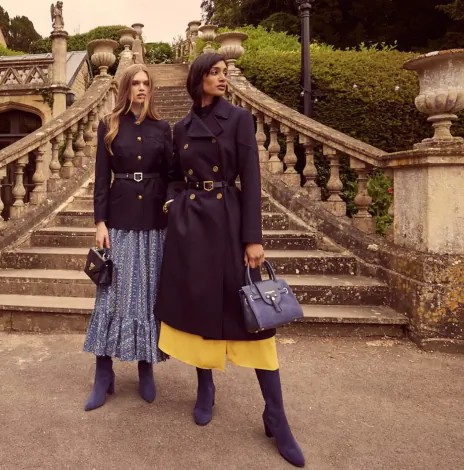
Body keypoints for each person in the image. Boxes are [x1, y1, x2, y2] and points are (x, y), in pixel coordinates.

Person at [154, 53, 305, 467]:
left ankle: (276, 414)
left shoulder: (238, 119)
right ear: (198, 78)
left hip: (228, 220)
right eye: (215, 73)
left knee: (254, 321)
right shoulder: (180, 127)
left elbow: (251, 178)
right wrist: (172, 202)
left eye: (224, 72)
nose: (223, 78)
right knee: (200, 309)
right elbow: (170, 172)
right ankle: (205, 387)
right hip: (191, 228)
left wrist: (253, 238)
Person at [83, 63, 172, 411]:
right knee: (111, 295)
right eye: (135, 83)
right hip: (117, 220)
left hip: (152, 222)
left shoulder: (163, 128)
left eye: (145, 83)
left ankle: (145, 367)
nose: (140, 88)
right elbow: (100, 178)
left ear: (151, 88)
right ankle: (103, 374)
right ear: (125, 88)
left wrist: (170, 205)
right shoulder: (110, 125)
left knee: (148, 294)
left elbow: (170, 175)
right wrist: (99, 222)